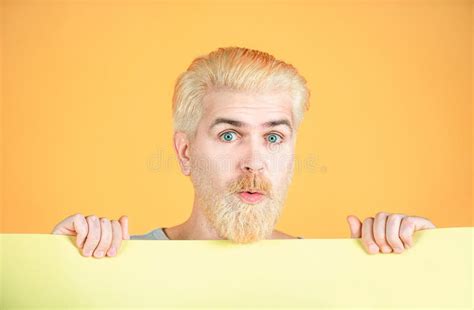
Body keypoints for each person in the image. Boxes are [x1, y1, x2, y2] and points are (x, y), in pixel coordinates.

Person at [51, 47, 436, 258]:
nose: (253, 161)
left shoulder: (340, 270)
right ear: (185, 152)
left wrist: (424, 266)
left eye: (273, 138)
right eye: (230, 135)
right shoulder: (119, 264)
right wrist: (59, 270)